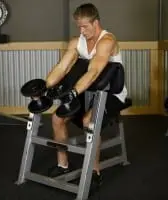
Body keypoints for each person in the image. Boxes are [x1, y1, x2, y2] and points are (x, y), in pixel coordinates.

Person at [45, 3, 127, 188]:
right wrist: (46, 86)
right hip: (87, 91)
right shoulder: (77, 42)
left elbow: (94, 72)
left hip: (111, 93)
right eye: (78, 26)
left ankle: (94, 171)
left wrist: (73, 92)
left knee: (89, 122)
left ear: (96, 22)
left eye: (85, 26)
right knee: (57, 118)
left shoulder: (107, 41)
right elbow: (62, 67)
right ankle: (63, 164)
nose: (81, 31)